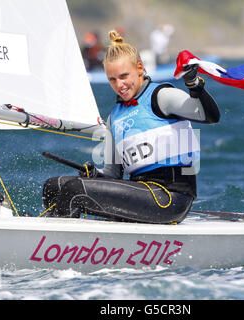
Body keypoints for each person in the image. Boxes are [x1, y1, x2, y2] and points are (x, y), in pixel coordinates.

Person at [42, 30, 220, 224]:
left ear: (140, 68)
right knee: (53, 186)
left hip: (171, 198)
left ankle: (58, 245)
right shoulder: (114, 118)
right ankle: (58, 239)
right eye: (112, 79)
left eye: (124, 76)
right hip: (141, 195)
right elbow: (112, 174)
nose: (119, 85)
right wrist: (95, 176)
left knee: (74, 190)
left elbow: (209, 116)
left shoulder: (161, 96)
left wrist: (193, 84)